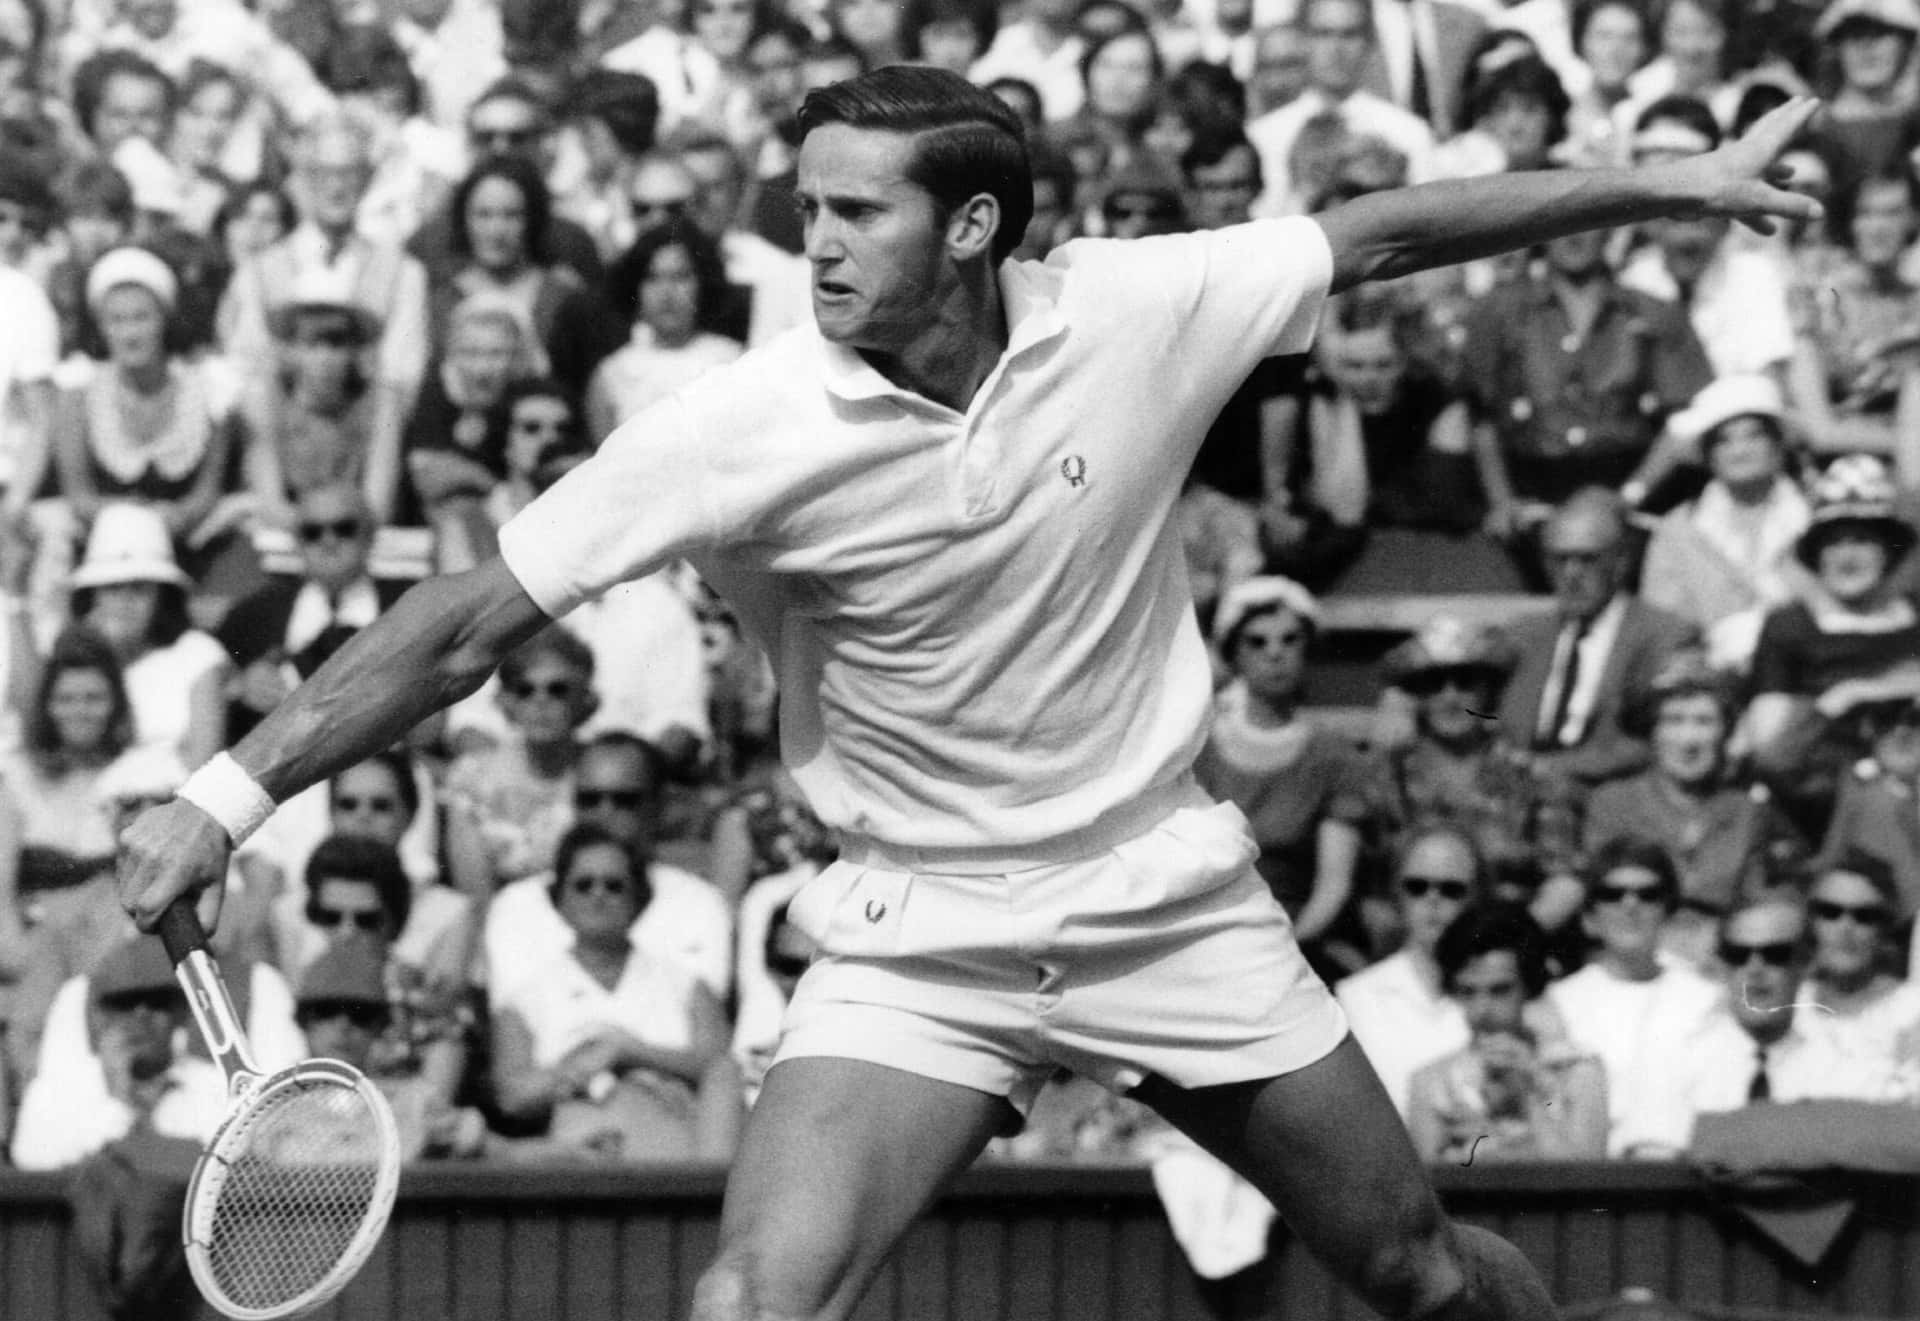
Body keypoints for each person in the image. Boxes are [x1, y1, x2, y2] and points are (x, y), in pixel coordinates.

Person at [121, 65, 1823, 1321]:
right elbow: (469, 618)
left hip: (1165, 895)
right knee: (748, 1306)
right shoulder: (738, 424)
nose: (819, 247)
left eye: (859, 213)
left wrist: (1675, 185)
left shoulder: (1135, 307)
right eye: (808, 212)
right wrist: (224, 797)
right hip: (915, 934)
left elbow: (1384, 234)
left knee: (1418, 1272)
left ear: (980, 225)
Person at [489, 822, 742, 1161]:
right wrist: (582, 1068)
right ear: (558, 898)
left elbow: (719, 1067)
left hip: (682, 1147)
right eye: (583, 885)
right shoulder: (526, 999)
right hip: (582, 1153)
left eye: (614, 885)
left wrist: (626, 1051)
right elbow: (512, 1095)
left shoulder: (687, 985)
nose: (598, 895)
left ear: (638, 898)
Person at [1616, 895, 1914, 1156]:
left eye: (1775, 955)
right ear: (1721, 966)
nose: (1755, 970)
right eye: (1739, 955)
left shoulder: (1845, 1059)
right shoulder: (1674, 1055)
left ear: (1806, 964)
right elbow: (1652, 1154)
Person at [1195, 578, 1370, 975]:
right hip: (1204, 935)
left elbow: (1333, 887)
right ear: (1233, 654)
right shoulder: (1198, 748)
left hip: (1295, 940)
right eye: (1256, 642)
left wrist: (1282, 950)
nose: (1275, 653)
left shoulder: (1331, 756)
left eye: (1290, 640)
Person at [1495, 488, 1701, 787]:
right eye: (1559, 559)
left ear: (1620, 563)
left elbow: (1655, 740)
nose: (1572, 574)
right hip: (1520, 789)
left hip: (1611, 793)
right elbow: (1470, 703)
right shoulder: (1523, 634)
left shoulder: (1666, 636)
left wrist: (1551, 767)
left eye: (1587, 559)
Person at [1544, 837, 1720, 1155]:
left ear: (1668, 910)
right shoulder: (1558, 1002)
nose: (1630, 905)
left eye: (1647, 895)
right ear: (1590, 915)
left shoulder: (1708, 1000)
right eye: (1613, 895)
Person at [1406, 901, 1607, 1164]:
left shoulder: (1578, 1071)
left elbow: (1586, 1179)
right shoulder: (1432, 1083)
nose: (1482, 1009)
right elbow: (1429, 1187)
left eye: (1500, 990)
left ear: (1528, 985)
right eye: (1468, 992)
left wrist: (1529, 1097)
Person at [1638, 375, 1812, 671]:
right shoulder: (1678, 529)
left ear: (1778, 445)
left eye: (1754, 436)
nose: (1740, 451)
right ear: (1708, 456)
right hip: (1711, 675)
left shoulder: (1815, 514)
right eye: (1724, 441)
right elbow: (1664, 624)